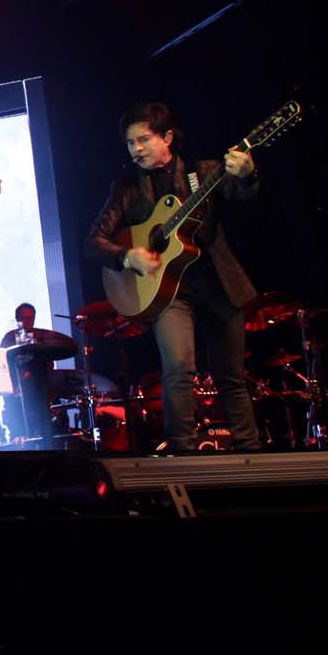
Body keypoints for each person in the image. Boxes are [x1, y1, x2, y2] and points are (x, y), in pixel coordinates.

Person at [85, 101, 262, 452]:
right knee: (179, 368)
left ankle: (250, 450)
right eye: (130, 143)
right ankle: (182, 450)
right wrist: (127, 256)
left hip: (217, 282)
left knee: (232, 374)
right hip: (168, 291)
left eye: (143, 140)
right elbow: (94, 242)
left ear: (167, 137)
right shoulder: (127, 187)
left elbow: (244, 195)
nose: (136, 149)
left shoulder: (204, 171)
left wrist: (248, 174)